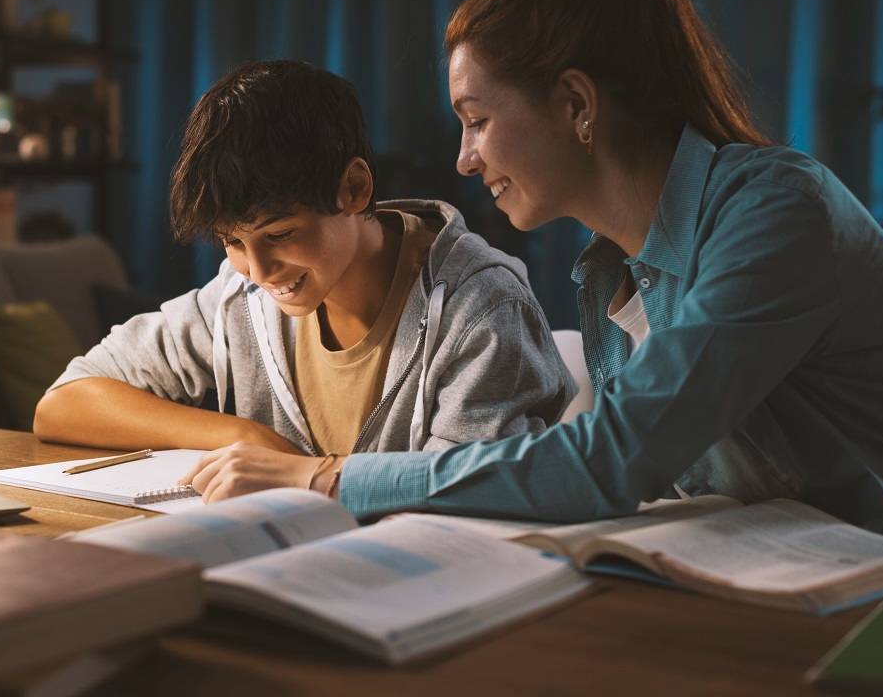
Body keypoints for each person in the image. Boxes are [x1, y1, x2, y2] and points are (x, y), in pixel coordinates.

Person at [182, 0, 883, 540]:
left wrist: (322, 476)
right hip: (772, 578)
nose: (464, 161)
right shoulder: (610, 273)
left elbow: (609, 462)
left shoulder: (777, 214)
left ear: (575, 104)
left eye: (477, 122)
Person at [34, 60, 573, 479]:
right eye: (232, 242)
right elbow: (63, 403)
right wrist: (243, 437)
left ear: (355, 188)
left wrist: (305, 476)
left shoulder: (480, 309)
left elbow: (471, 491)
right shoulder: (238, 297)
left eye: (280, 234)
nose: (260, 269)